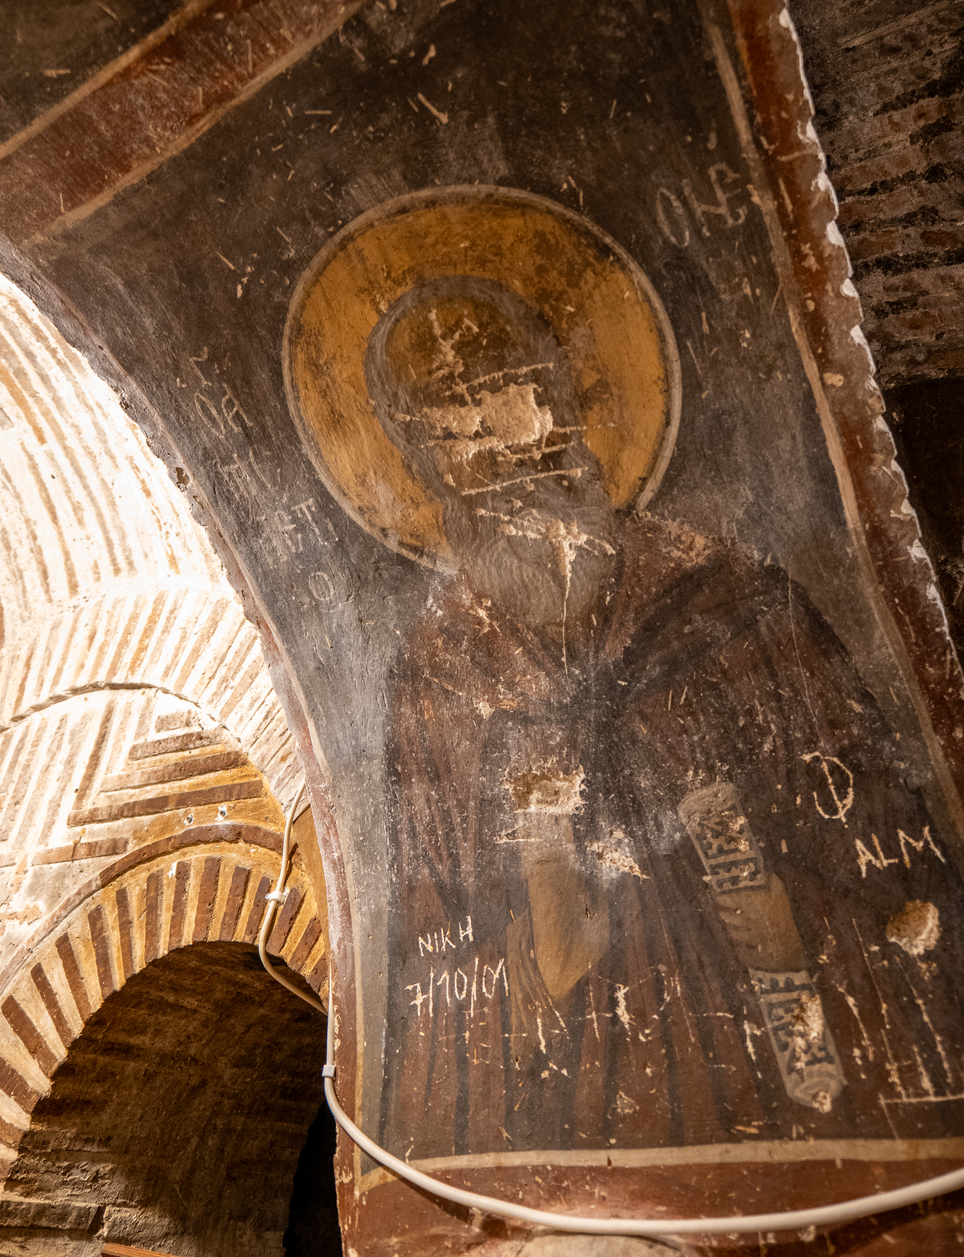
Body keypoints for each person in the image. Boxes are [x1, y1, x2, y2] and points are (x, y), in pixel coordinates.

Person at [367, 275, 964, 1161]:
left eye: (511, 397)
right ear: (424, 467)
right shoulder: (437, 673)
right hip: (579, 1116)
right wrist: (532, 954)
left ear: (566, 404)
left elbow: (879, 843)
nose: (499, 451)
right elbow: (430, 953)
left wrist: (774, 898)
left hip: (790, 1066)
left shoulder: (729, 598)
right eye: (454, 433)